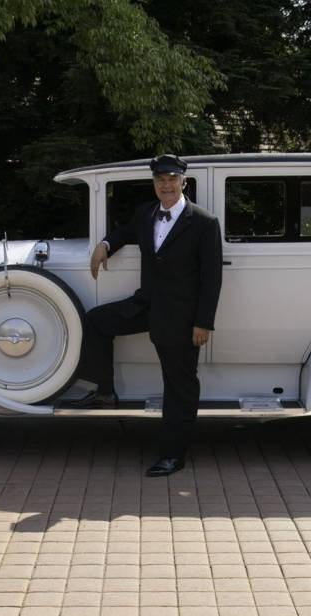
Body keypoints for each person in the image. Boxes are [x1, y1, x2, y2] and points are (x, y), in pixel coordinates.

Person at [71, 154, 223, 477]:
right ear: (154, 183)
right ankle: (104, 392)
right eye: (160, 180)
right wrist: (105, 243)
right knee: (97, 321)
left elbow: (212, 278)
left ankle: (173, 455)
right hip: (146, 305)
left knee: (179, 385)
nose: (166, 185)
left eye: (172, 179)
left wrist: (203, 322)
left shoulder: (204, 222)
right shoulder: (145, 214)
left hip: (181, 318)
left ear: (183, 181)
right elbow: (125, 231)